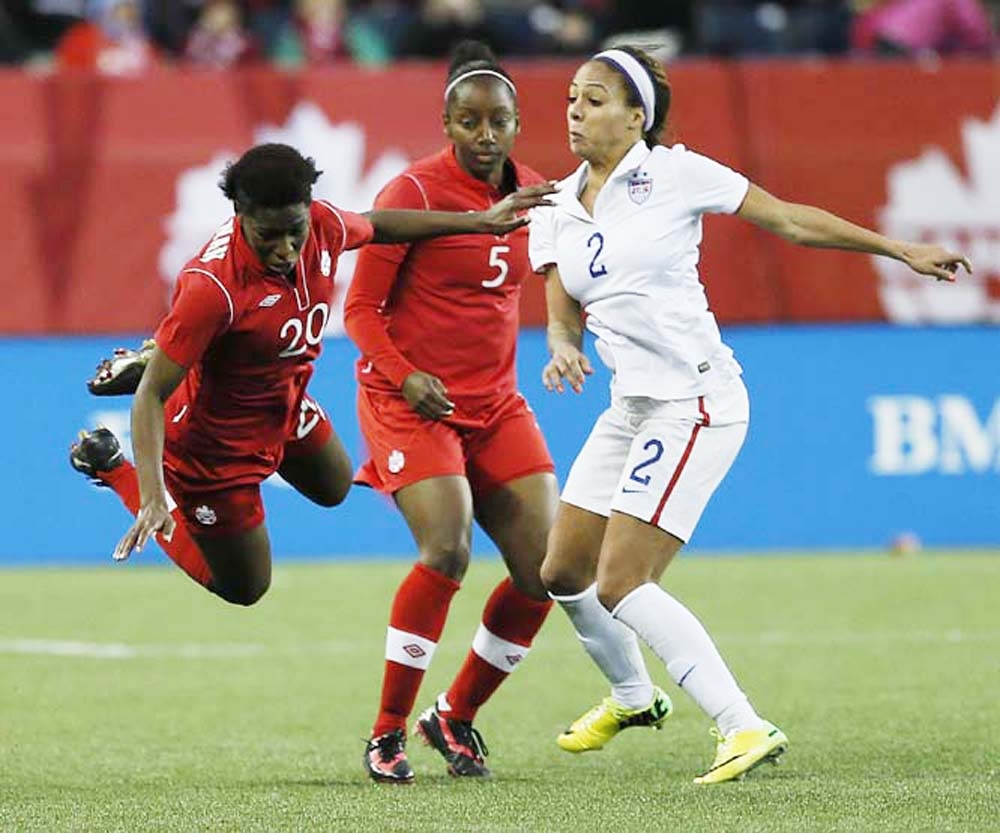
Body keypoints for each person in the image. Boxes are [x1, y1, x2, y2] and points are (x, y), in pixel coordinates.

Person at [529, 46, 972, 784]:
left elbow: (790, 221)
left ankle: (742, 724)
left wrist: (896, 248)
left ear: (638, 117)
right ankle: (636, 697)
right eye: (573, 96)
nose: (576, 109)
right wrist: (561, 342)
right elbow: (562, 293)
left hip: (694, 401)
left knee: (622, 582)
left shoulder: (674, 172)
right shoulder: (557, 202)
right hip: (628, 404)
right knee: (563, 570)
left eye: (597, 99)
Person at [70, 142, 553, 609]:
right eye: (268, 237)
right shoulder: (211, 287)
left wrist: (477, 223)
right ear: (240, 217)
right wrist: (152, 497)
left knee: (335, 486)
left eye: (293, 232)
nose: (285, 249)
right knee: (244, 586)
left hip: (282, 401)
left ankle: (173, 352)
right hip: (213, 445)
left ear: (308, 210)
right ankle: (112, 464)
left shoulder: (321, 225)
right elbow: (151, 397)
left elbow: (377, 226)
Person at [343, 42, 564, 783]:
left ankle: (456, 712)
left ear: (516, 122)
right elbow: (361, 309)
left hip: (496, 404)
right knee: (447, 548)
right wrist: (406, 378)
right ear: (446, 121)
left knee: (550, 570)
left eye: (498, 121)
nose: (484, 134)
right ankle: (385, 732)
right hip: (409, 400)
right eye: (468, 121)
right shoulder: (412, 192)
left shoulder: (535, 192)